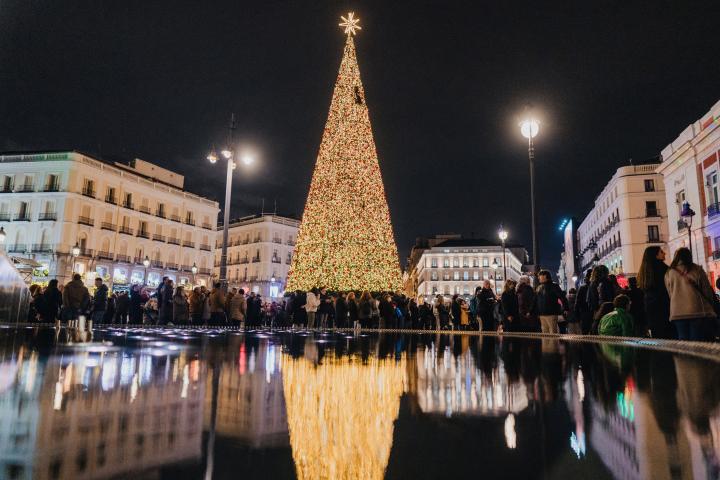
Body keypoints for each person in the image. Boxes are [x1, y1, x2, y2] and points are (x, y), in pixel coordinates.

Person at [665, 247, 717, 341]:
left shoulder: (669, 272)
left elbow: (670, 293)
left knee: (683, 340)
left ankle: (684, 356)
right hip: (696, 311)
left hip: (677, 312)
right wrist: (711, 303)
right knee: (696, 340)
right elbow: (707, 290)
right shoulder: (697, 270)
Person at [637, 246, 675, 339]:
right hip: (666, 308)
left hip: (651, 310)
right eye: (661, 252)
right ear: (656, 255)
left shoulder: (644, 272)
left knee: (658, 337)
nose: (664, 253)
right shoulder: (664, 270)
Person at [535, 270, 569, 334]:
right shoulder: (539, 287)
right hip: (543, 314)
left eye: (540, 276)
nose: (538, 277)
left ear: (545, 276)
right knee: (545, 333)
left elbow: (562, 297)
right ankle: (547, 344)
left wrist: (566, 308)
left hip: (551, 313)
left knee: (552, 332)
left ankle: (553, 344)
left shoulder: (553, 286)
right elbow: (535, 300)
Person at [574, 270, 594, 334]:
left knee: (585, 332)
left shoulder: (582, 288)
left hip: (585, 313)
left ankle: (586, 343)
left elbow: (577, 302)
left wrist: (577, 316)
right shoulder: (597, 285)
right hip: (594, 312)